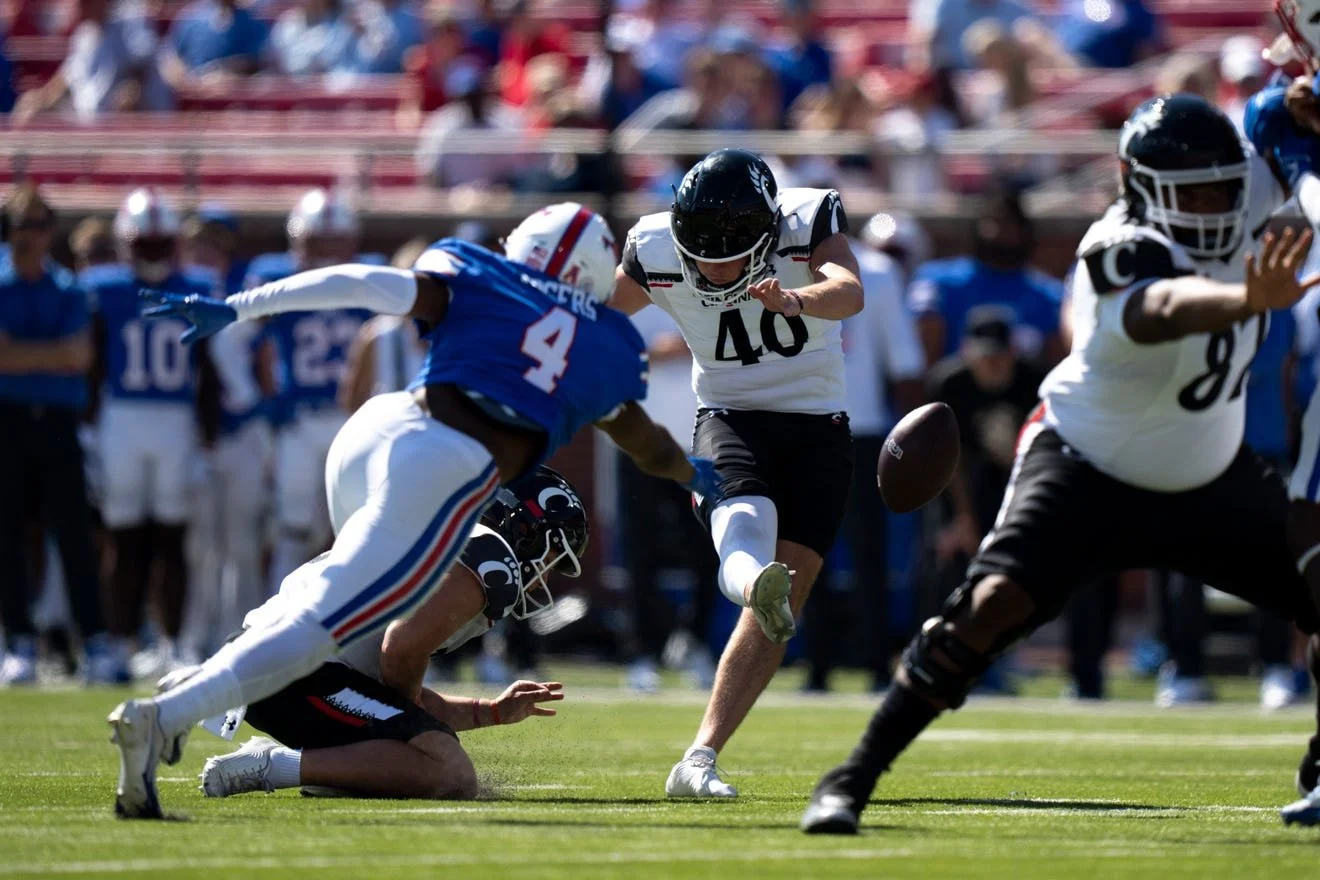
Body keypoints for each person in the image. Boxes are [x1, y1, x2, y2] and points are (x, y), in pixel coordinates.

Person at [802, 93, 1320, 834]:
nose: (1211, 204)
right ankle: (850, 778)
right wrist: (1243, 296)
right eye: (1191, 192)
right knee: (987, 612)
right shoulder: (1118, 240)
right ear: (1140, 188)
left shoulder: (1235, 197)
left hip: (1207, 471)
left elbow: (1279, 127)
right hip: (1088, 462)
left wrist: (1298, 86)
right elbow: (1157, 308)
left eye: (1220, 189)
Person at [109, 201, 722, 819]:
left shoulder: (479, 271)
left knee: (337, 595)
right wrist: (695, 475)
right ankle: (170, 712)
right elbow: (643, 440)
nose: (543, 570)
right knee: (335, 619)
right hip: (451, 460)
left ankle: (208, 689)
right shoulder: (604, 342)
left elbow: (364, 283)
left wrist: (244, 306)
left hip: (390, 423)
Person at [609, 148, 863, 797]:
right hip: (730, 413)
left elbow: (849, 290)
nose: (712, 263)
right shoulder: (656, 246)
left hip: (817, 423)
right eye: (700, 248)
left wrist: (797, 299)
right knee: (748, 521)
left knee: (785, 601)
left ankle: (698, 757)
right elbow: (599, 313)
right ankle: (753, 581)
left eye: (729, 248)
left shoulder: (807, 219)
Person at [193, 467, 582, 800]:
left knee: (421, 750)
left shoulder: (440, 530)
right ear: (525, 528)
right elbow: (400, 652)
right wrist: (411, 731)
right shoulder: (489, 554)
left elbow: (388, 685)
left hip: (280, 660)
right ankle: (271, 766)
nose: (544, 577)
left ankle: (334, 770)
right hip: (294, 666)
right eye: (550, 558)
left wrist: (491, 712)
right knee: (451, 771)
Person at [84, 188, 216, 678]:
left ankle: (173, 642)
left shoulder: (196, 285)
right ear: (127, 243)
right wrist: (90, 427)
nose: (155, 253)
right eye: (147, 244)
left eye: (162, 243)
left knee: (171, 538)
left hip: (174, 417)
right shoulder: (105, 287)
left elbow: (207, 368)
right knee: (124, 537)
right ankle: (119, 644)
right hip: (123, 417)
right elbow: (93, 363)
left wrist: (208, 434)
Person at [0, 184, 116, 684]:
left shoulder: (69, 288)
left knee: (73, 533)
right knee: (7, 533)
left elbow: (80, 357)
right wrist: (47, 356)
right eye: (23, 225)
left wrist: (23, 355)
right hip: (8, 419)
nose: (32, 235)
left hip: (57, 422)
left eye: (40, 225)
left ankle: (94, 640)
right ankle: (19, 641)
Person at [802, 233, 924, 692]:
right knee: (804, 552)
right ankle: (817, 664)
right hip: (804, 424)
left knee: (863, 554)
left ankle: (870, 663)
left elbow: (904, 361)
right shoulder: (775, 265)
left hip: (858, 427)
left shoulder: (874, 270)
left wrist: (912, 436)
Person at [247, 189, 372, 595]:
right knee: (293, 527)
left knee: (355, 529)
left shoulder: (371, 278)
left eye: (334, 241)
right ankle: (271, 621)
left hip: (352, 421)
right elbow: (244, 344)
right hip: (299, 421)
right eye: (318, 241)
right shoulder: (277, 276)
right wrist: (264, 406)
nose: (326, 251)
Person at [907, 184, 1065, 368]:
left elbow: (1058, 362)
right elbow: (918, 361)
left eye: (1010, 223)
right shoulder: (939, 282)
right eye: (995, 221)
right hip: (952, 391)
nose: (1002, 231)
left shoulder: (1047, 294)